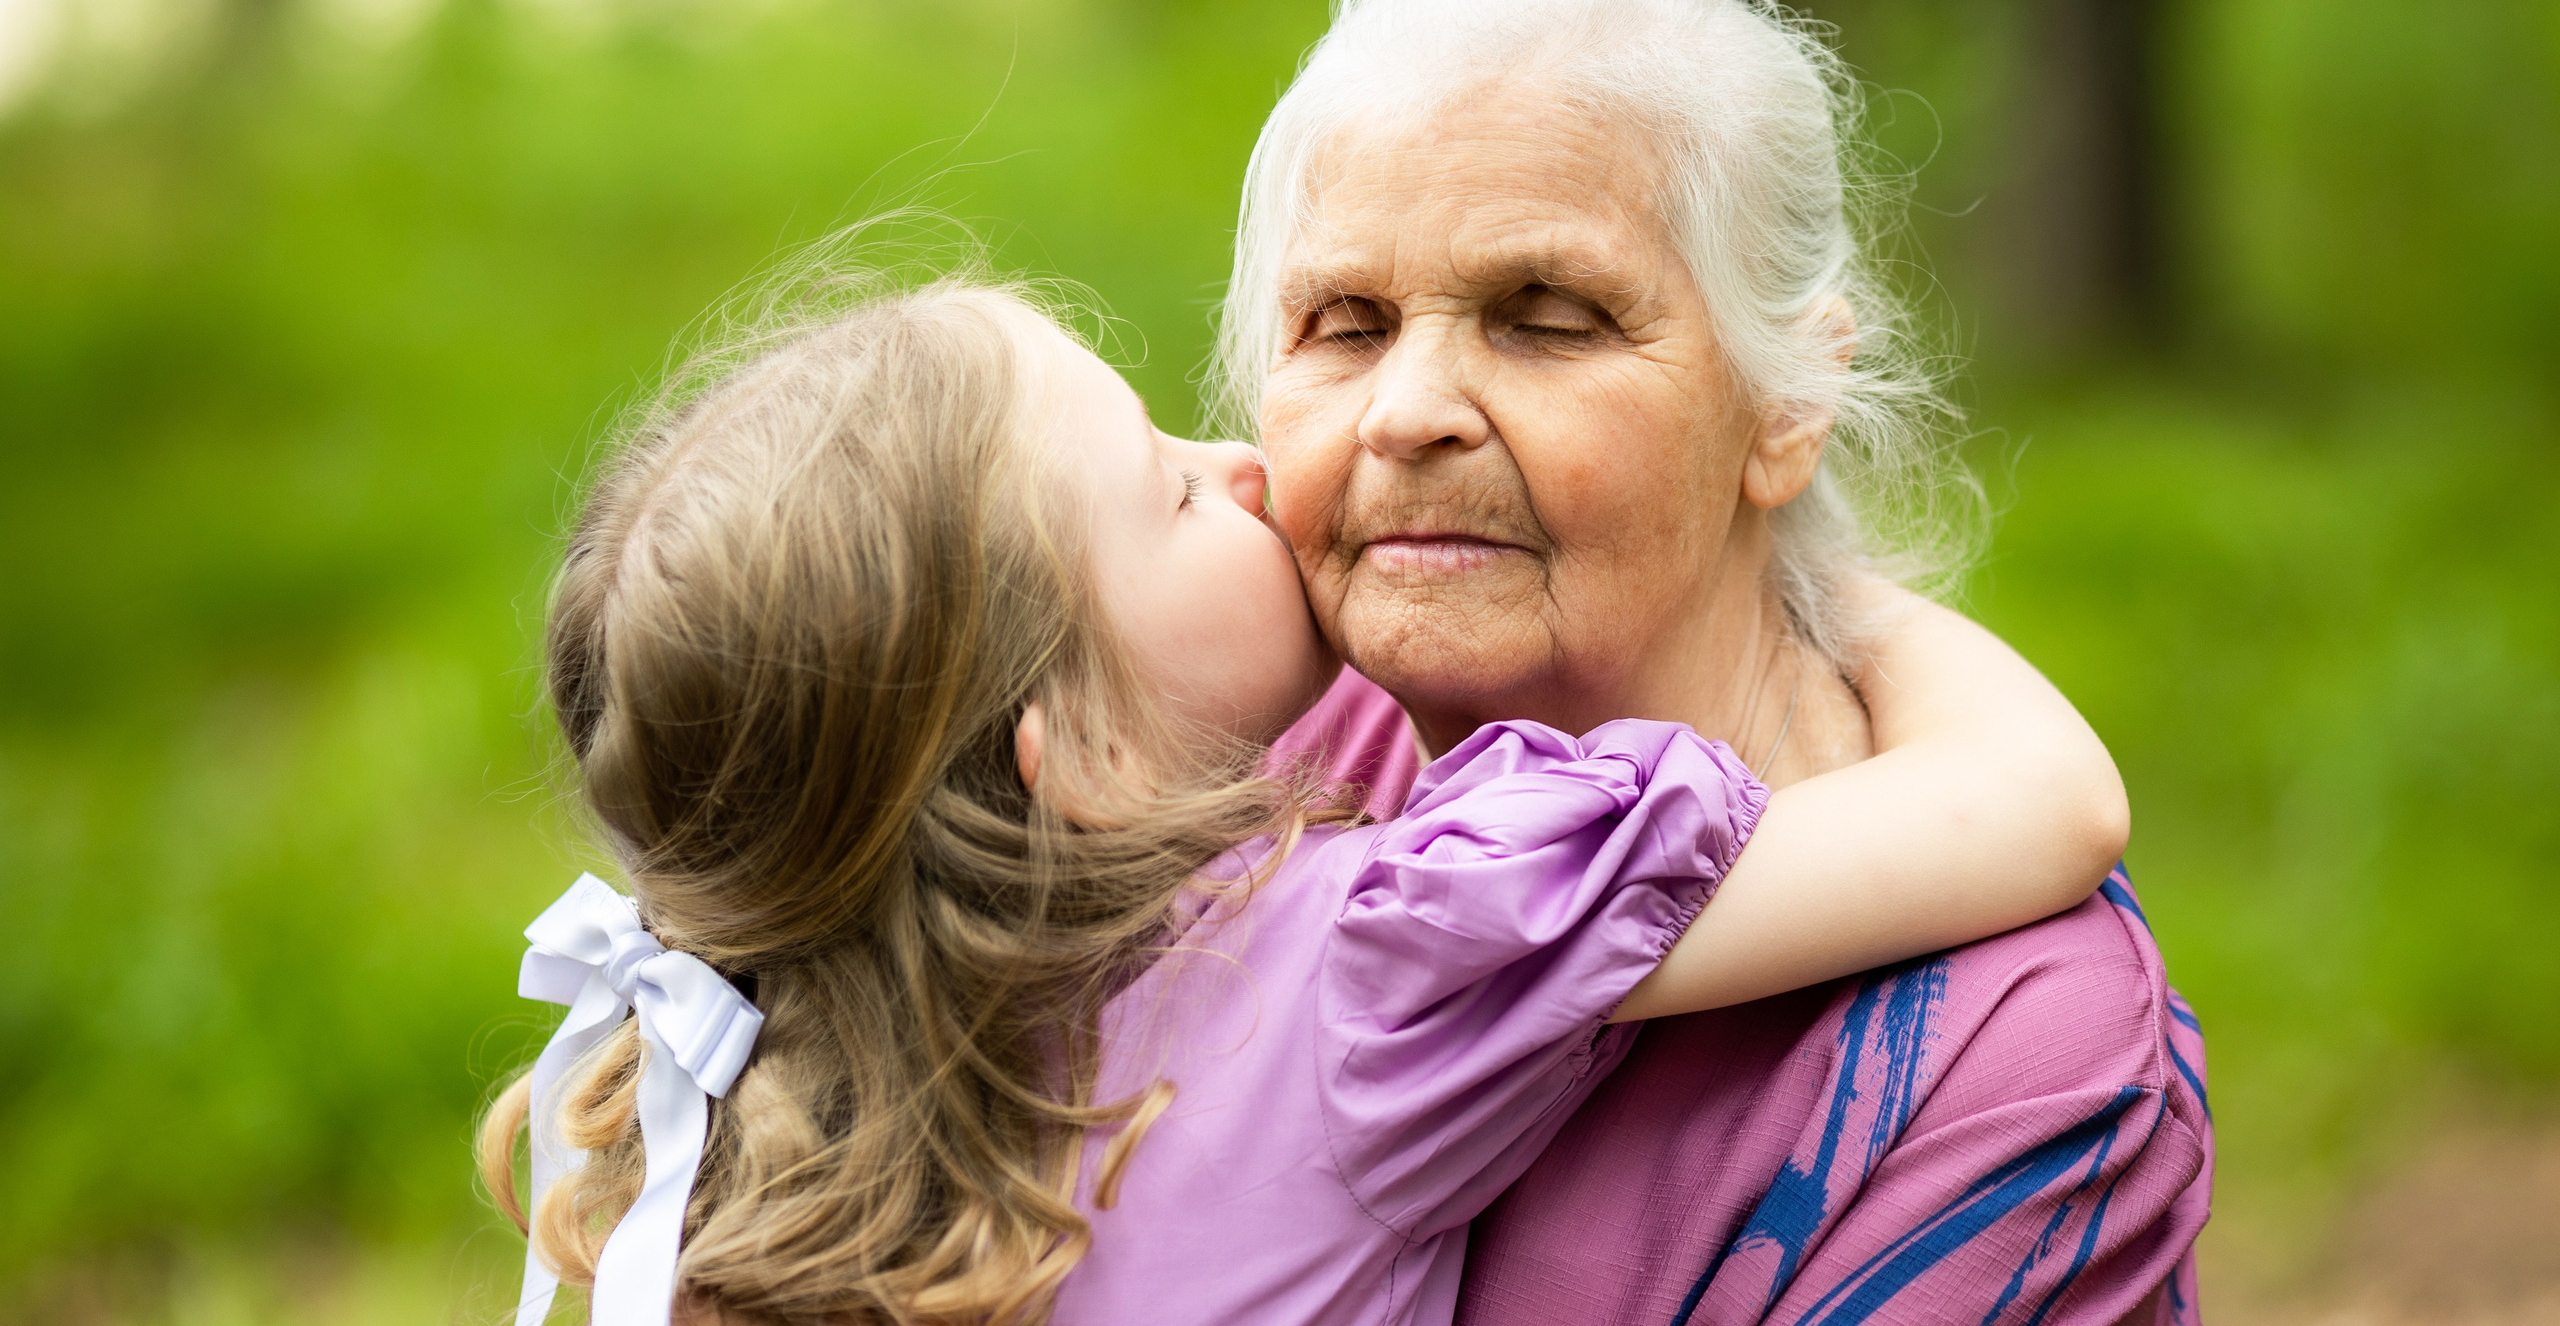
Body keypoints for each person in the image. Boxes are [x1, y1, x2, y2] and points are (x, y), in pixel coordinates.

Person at [477, 277, 2127, 1326]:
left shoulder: (760, 1082)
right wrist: (1811, 569)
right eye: (1168, 490)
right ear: (1086, 755)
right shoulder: (1375, 972)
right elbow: (2039, 802)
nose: (1247, 467)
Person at [1215, 0, 2214, 1325]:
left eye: (1548, 320)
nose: (1408, 410)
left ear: (1786, 405)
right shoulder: (1233, 765)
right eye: (1344, 325)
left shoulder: (2016, 1052)